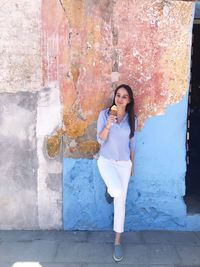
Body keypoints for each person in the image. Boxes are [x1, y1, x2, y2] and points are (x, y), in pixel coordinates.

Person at [96, 84, 136, 262]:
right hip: (106, 161)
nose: (120, 99)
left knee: (121, 204)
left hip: (124, 165)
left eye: (124, 96)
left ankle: (117, 242)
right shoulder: (104, 115)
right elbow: (100, 139)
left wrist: (132, 165)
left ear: (129, 100)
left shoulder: (132, 119)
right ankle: (111, 190)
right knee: (117, 191)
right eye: (118, 95)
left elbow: (132, 145)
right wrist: (108, 125)